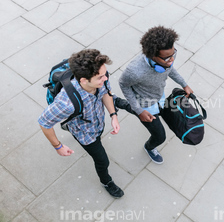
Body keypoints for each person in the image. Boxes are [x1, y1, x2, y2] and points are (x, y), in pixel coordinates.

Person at [38, 49, 124, 198]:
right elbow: (44, 123)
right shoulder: (66, 103)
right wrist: (58, 146)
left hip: (96, 122)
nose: (105, 78)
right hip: (85, 133)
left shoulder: (100, 77)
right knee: (102, 161)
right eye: (100, 77)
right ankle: (106, 181)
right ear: (84, 80)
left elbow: (106, 93)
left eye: (105, 74)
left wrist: (113, 115)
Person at [114, 26, 193, 164]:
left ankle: (115, 101)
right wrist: (139, 111)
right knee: (160, 136)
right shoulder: (135, 71)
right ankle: (149, 148)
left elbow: (170, 69)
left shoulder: (167, 60)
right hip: (144, 105)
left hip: (159, 97)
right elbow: (123, 84)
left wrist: (184, 84)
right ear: (152, 55)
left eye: (173, 54)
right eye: (167, 58)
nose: (172, 60)